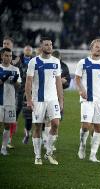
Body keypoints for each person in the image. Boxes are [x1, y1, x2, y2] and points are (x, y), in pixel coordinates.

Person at [25, 37, 63, 165]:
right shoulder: (33, 62)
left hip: (53, 99)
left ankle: (48, 153)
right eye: (46, 45)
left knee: (56, 124)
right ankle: (37, 156)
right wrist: (29, 100)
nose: (49, 47)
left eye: (51, 45)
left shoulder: (56, 61)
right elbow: (28, 82)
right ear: (41, 47)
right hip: (38, 100)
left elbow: (58, 82)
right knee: (37, 127)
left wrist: (61, 100)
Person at [75, 39, 100, 163]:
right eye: (97, 47)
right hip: (87, 99)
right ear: (91, 48)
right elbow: (77, 78)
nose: (99, 49)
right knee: (86, 126)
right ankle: (82, 145)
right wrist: (81, 90)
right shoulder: (83, 62)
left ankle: (93, 154)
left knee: (98, 127)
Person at [0, 48, 21, 155]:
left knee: (7, 125)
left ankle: (3, 148)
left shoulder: (15, 69)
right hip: (0, 102)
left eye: (10, 56)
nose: (8, 58)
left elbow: (18, 86)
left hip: (10, 102)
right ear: (1, 56)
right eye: (6, 55)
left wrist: (14, 82)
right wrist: (3, 79)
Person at [17, 45, 34, 144]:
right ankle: (11, 133)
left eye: (29, 49)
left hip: (32, 91)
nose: (27, 51)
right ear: (23, 51)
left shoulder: (35, 61)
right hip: (20, 90)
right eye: (26, 49)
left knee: (29, 114)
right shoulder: (18, 61)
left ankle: (28, 133)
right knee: (17, 110)